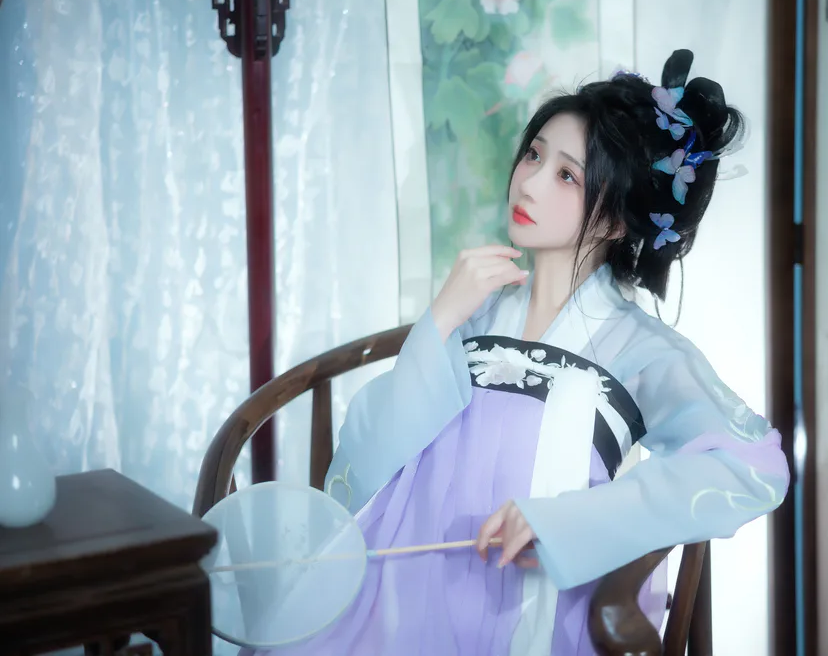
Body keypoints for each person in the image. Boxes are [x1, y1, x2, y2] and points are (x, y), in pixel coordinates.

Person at [254, 48, 790, 656]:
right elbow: (365, 466)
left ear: (617, 219)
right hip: (404, 599)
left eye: (566, 175)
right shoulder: (475, 313)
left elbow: (753, 467)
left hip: (542, 611)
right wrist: (440, 319)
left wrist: (573, 523)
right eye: (534, 154)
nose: (528, 182)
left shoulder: (644, 349)